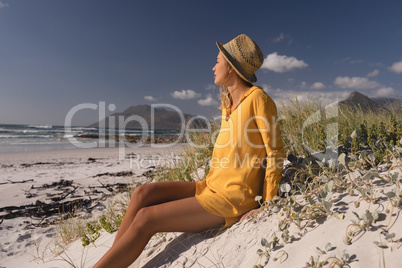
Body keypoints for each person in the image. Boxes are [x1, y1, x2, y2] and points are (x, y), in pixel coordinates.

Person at [93, 34, 284, 268]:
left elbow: (275, 153)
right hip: (209, 186)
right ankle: (114, 258)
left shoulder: (259, 99)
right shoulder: (229, 106)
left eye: (217, 61)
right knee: (143, 194)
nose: (213, 67)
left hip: (232, 199)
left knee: (147, 218)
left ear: (232, 68)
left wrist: (267, 203)